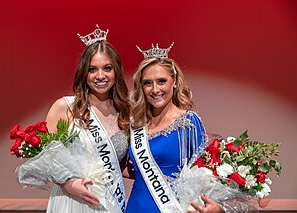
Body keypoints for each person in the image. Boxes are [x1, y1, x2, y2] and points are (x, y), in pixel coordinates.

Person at [125, 43, 223, 213]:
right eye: (148, 83)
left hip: (172, 208)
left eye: (161, 81)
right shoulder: (135, 125)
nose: (155, 89)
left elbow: (206, 173)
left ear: (175, 82)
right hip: (137, 207)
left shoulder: (189, 122)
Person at [44, 25, 130, 213]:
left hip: (110, 201)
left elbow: (118, 164)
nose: (100, 76)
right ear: (84, 73)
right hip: (71, 200)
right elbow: (47, 158)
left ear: (116, 71)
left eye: (107, 68)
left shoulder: (125, 113)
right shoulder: (65, 107)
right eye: (92, 69)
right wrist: (68, 184)